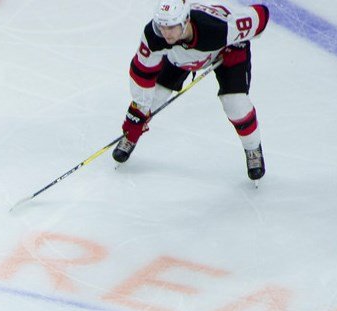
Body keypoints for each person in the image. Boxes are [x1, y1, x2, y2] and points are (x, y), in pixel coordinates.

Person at [114, 0, 271, 180]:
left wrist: (235, 42)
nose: (165, 33)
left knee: (234, 104)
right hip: (178, 58)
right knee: (154, 97)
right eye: (161, 26)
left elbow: (261, 15)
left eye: (171, 27)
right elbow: (141, 72)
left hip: (224, 50)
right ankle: (130, 137)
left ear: (186, 20)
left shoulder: (217, 29)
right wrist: (137, 114)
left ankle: (252, 147)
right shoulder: (154, 35)